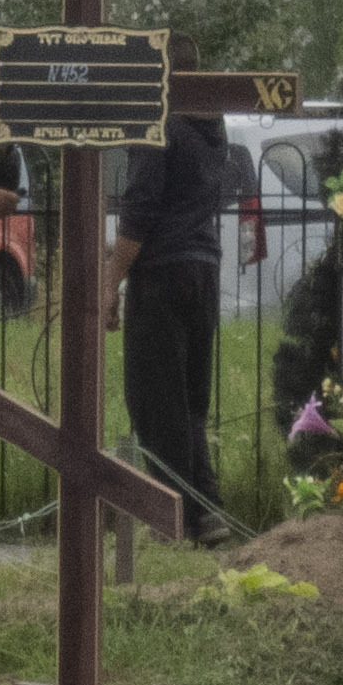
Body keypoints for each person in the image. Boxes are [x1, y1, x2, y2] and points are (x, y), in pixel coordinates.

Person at [119, 98, 247, 537]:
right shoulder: (211, 123)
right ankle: (207, 511)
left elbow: (141, 207)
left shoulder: (158, 120)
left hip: (160, 271)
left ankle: (169, 518)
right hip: (203, 265)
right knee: (192, 401)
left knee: (156, 399)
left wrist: (109, 280)